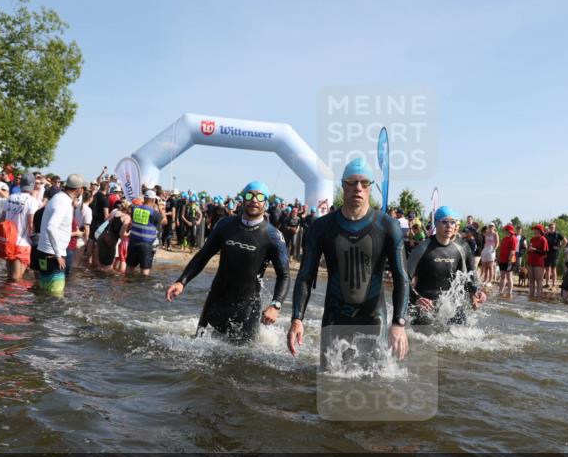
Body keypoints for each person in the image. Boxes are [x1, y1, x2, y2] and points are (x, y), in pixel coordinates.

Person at [288, 158, 409, 368]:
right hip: (335, 318)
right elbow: (305, 276)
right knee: (329, 385)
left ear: (371, 188)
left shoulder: (388, 226)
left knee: (375, 385)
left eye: (364, 183)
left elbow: (401, 277)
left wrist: (399, 323)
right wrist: (297, 319)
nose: (358, 188)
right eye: (352, 182)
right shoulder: (321, 227)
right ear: (343, 186)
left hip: (374, 318)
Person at [166, 181, 289, 344]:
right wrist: (182, 281)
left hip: (248, 308)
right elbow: (204, 255)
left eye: (260, 197)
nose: (254, 200)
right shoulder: (225, 225)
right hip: (216, 300)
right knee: (198, 350)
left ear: (265, 202)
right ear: (242, 199)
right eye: (249, 195)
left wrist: (275, 305)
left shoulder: (273, 236)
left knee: (242, 360)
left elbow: (284, 275)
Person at [406, 206, 486, 328]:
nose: (449, 226)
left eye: (452, 222)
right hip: (425, 306)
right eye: (444, 222)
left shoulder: (462, 248)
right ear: (436, 224)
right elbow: (404, 280)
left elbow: (470, 276)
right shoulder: (422, 248)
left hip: (449, 306)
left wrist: (476, 292)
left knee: (463, 336)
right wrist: (417, 299)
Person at [34, 174, 85, 295]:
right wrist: (58, 254)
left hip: (45, 251)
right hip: (53, 255)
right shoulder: (63, 202)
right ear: (79, 189)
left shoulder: (58, 198)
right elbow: (51, 227)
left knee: (44, 292)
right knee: (55, 296)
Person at [0, 173, 40, 281]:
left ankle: (5, 295)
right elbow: (30, 224)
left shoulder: (10, 197)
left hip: (8, 240)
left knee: (9, 276)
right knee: (16, 278)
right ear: (32, 185)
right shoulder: (32, 201)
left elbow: (2, 220)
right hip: (23, 243)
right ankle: (14, 297)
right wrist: (34, 240)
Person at [526, 224, 548, 297]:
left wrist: (534, 250)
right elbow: (529, 251)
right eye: (534, 229)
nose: (534, 231)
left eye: (536, 229)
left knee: (539, 281)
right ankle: (531, 296)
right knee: (531, 281)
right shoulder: (532, 239)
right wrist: (528, 250)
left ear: (540, 231)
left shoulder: (543, 239)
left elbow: (544, 252)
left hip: (539, 263)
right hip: (530, 261)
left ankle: (539, 297)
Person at [497, 224, 518, 299]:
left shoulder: (513, 238)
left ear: (508, 231)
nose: (504, 231)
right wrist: (498, 257)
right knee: (502, 276)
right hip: (502, 260)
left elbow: (513, 251)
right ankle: (500, 291)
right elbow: (501, 248)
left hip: (510, 260)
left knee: (509, 277)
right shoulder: (505, 238)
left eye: (505, 230)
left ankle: (509, 292)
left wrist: (510, 261)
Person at [542, 221, 564, 290]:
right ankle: (547, 283)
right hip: (547, 253)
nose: (552, 229)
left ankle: (554, 284)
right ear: (549, 228)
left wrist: (560, 247)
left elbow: (565, 241)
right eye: (551, 227)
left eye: (553, 227)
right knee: (547, 268)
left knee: (553, 269)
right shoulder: (546, 234)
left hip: (555, 253)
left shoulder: (557, 235)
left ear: (555, 228)